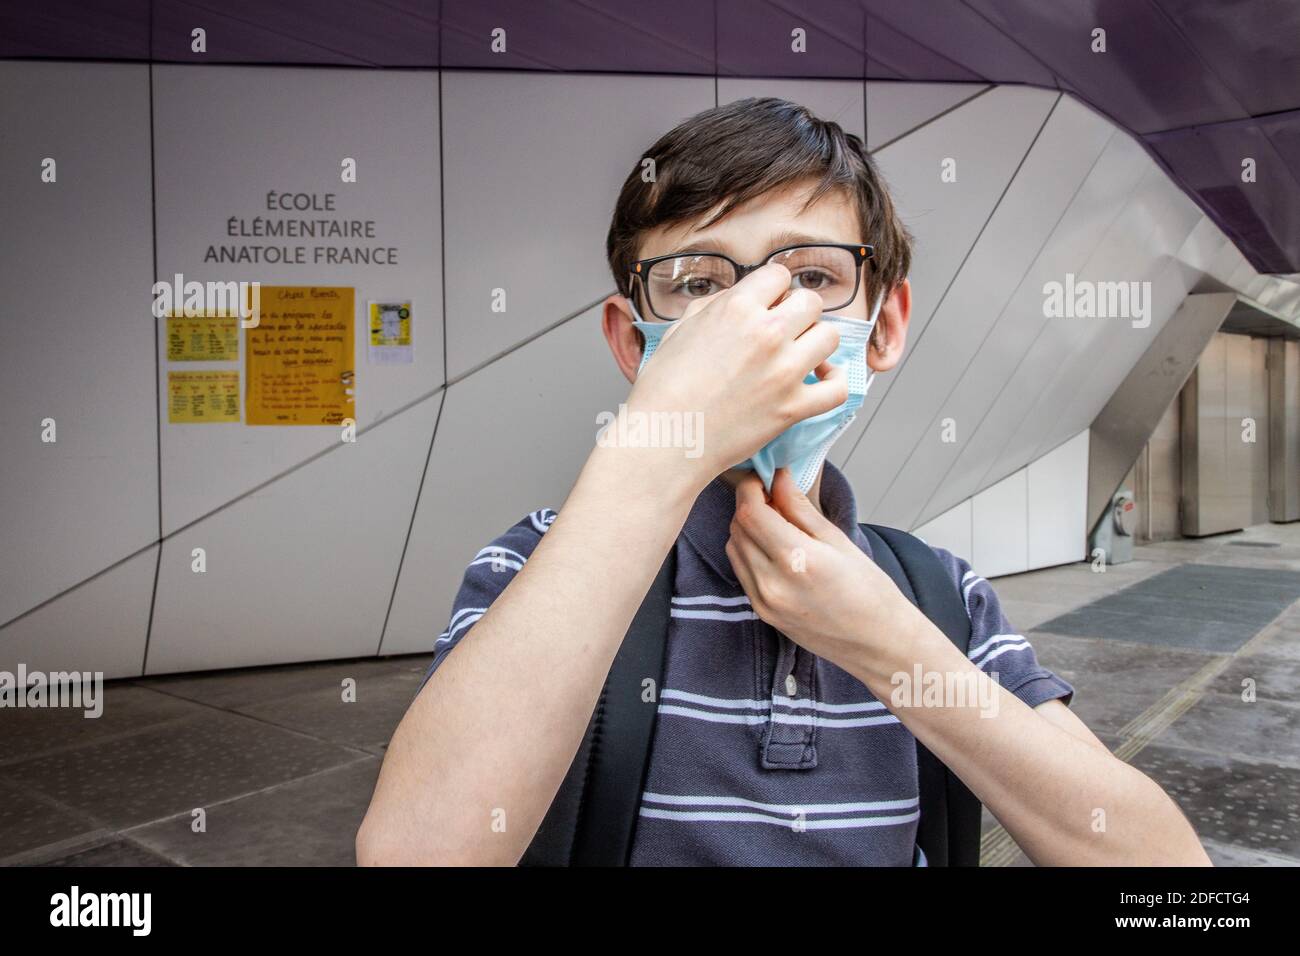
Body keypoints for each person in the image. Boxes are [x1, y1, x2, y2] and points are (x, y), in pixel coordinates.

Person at [356, 97, 1210, 866]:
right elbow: (418, 851)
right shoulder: (534, 567)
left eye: (811, 278)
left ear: (883, 327)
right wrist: (657, 444)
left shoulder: (941, 596)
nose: (758, 324)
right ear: (632, 343)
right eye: (698, 284)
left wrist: (885, 642)